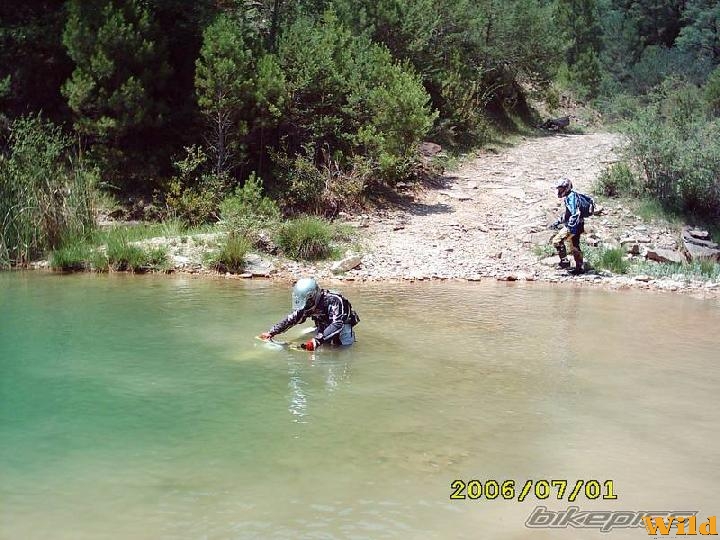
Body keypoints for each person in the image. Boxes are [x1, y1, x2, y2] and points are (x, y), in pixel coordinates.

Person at [259, 277, 359, 350]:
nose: (306, 306)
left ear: (314, 296)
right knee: (322, 342)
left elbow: (337, 324)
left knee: (343, 348)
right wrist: (272, 332)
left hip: (342, 326)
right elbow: (292, 319)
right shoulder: (306, 303)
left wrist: (317, 340)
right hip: (322, 324)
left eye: (308, 302)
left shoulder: (335, 300)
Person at [549, 178, 584, 275]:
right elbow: (568, 214)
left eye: (561, 189)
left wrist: (571, 227)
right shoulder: (572, 196)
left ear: (566, 188)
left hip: (573, 225)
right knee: (575, 246)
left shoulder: (571, 197)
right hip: (579, 224)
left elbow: (575, 213)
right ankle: (579, 267)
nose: (559, 191)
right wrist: (558, 222)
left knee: (556, 241)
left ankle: (564, 262)